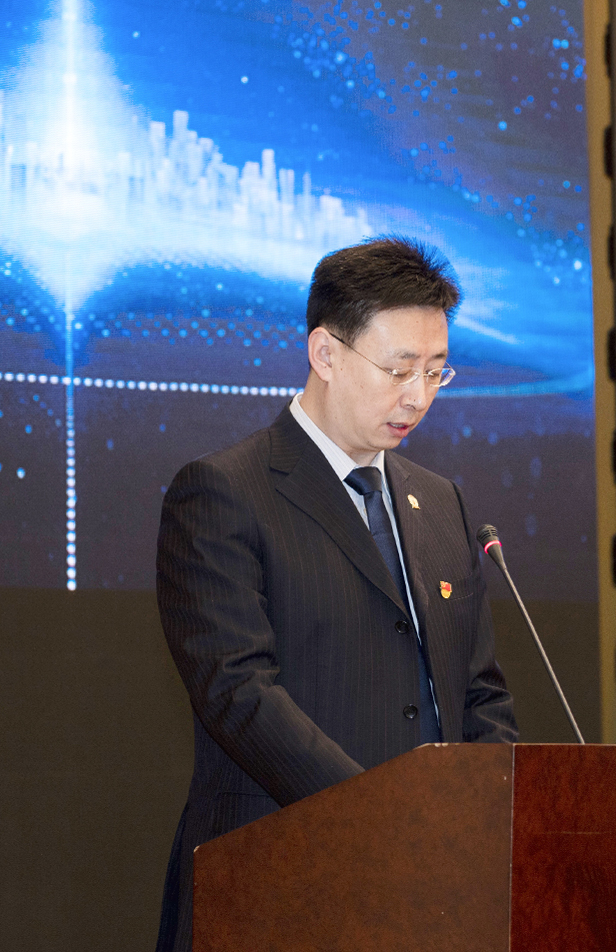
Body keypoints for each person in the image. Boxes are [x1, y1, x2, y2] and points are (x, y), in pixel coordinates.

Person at [155, 237, 518, 952]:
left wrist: (488, 814)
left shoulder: (438, 502)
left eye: (436, 372)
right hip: (277, 882)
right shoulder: (224, 492)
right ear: (325, 352)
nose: (418, 396)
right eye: (399, 370)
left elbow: (479, 694)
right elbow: (238, 693)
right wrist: (379, 816)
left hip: (433, 895)